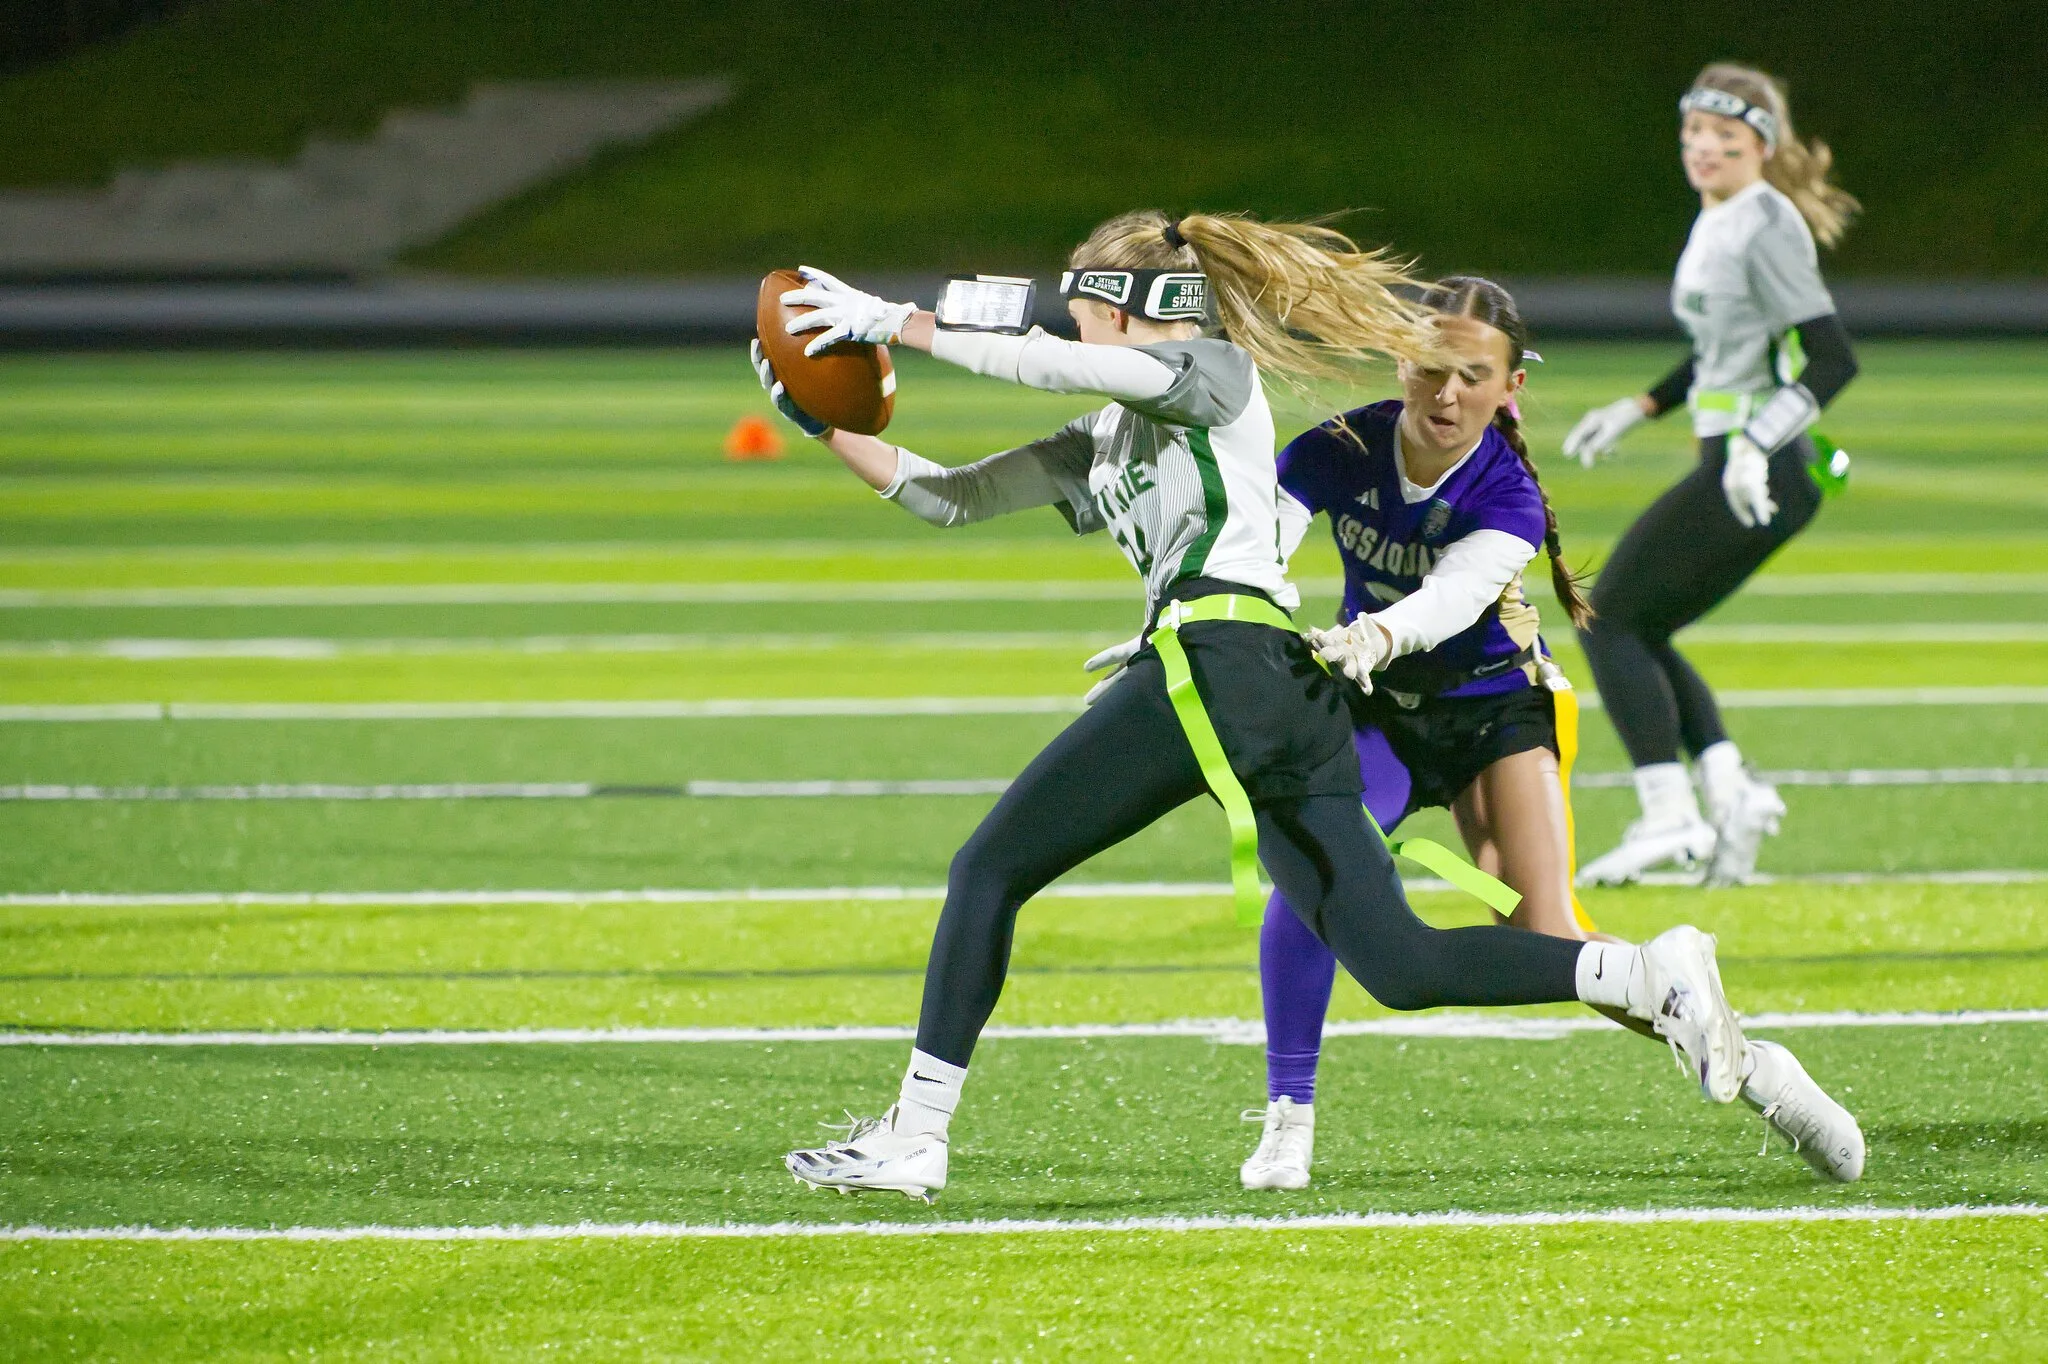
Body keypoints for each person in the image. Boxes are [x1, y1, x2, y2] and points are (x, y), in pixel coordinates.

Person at [753, 210, 1749, 1204]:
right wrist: (819, 422)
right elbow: (952, 495)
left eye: (1082, 300)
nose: (1069, 318)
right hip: (1270, 683)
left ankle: (915, 1134)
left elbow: (1059, 365)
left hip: (1222, 661)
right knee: (1400, 962)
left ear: (1134, 304)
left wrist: (896, 322)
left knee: (988, 867)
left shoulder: (1209, 371)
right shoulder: (1116, 425)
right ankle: (1641, 974)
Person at [1237, 277, 1862, 1191]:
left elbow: (1450, 602)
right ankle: (1288, 1118)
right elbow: (1260, 542)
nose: (1446, 394)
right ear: (1397, 360)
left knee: (1547, 929)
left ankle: (1765, 1072)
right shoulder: (1342, 446)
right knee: (1315, 871)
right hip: (1377, 711)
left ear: (1509, 387)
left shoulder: (1507, 491)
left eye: (1472, 375)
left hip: (1490, 708)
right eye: (1429, 368)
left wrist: (1371, 633)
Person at [1562, 63, 1861, 886]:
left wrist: (1755, 444)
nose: (1704, 151)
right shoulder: (1723, 214)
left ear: (1762, 147)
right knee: (1639, 625)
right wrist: (1641, 406)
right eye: (1694, 134)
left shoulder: (1764, 222)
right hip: (1738, 459)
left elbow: (1834, 360)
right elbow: (1721, 352)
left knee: (1606, 616)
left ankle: (1671, 815)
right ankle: (1731, 791)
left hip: (1762, 470)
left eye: (1725, 139)